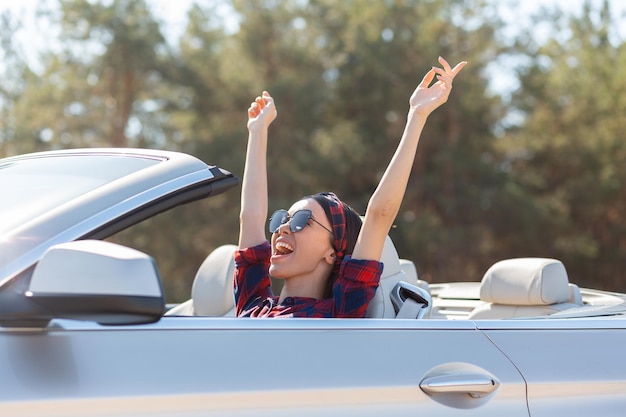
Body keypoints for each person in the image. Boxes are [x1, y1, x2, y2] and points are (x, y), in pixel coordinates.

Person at [234, 56, 466, 318]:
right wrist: (257, 131)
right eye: (281, 219)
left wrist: (417, 115)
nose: (283, 227)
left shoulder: (339, 314)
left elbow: (380, 213)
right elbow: (250, 216)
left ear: (332, 254)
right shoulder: (253, 306)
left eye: (301, 221)